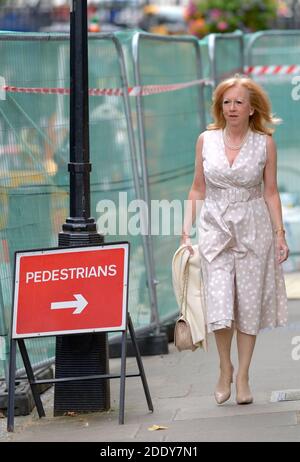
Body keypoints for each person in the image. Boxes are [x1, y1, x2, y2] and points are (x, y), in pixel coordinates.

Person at [180, 74, 289, 405]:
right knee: (220, 303)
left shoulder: (264, 143)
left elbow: (270, 192)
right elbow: (198, 187)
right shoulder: (206, 140)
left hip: (253, 231)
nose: (231, 108)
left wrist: (279, 233)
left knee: (248, 305)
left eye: (239, 102)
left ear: (252, 108)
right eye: (226, 102)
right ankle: (224, 367)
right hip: (215, 230)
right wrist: (186, 230)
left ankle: (243, 375)